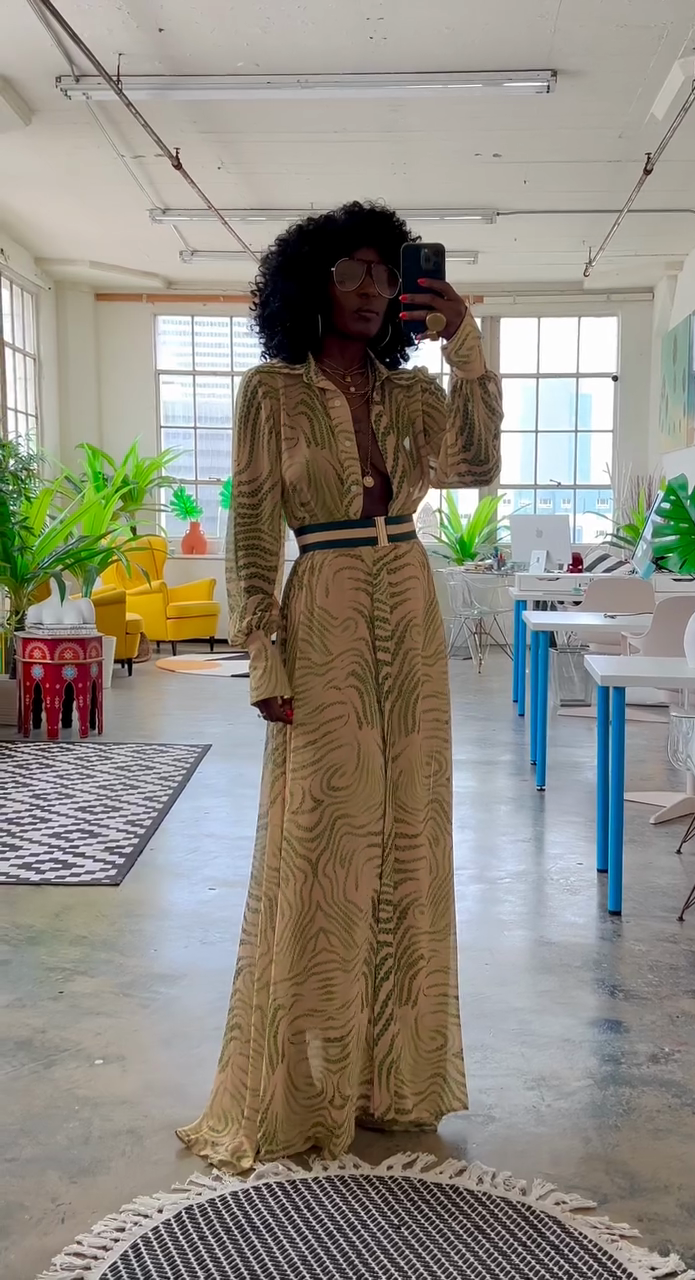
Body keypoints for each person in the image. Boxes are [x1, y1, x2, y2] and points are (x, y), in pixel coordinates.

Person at [178, 201, 503, 1172]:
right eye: (351, 270)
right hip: (320, 608)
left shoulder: (413, 395)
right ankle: (304, 1088)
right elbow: (249, 530)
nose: (369, 289)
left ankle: (391, 1082)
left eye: (384, 272)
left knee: (408, 839)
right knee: (323, 846)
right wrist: (263, 654)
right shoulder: (270, 392)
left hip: (407, 604)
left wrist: (465, 346)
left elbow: (476, 466)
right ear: (311, 283)